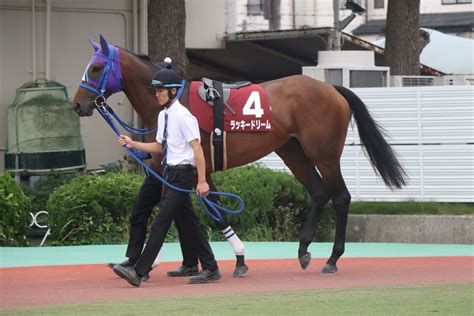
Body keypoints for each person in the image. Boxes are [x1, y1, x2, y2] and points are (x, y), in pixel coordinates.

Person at [113, 66, 221, 286]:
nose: (157, 94)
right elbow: (159, 146)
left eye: (161, 90)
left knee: (161, 222)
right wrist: (132, 143)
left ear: (173, 91)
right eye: (156, 90)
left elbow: (197, 149)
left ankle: (139, 271)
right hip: (170, 174)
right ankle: (211, 268)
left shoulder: (184, 116)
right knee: (190, 223)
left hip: (183, 175)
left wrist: (201, 181)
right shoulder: (163, 116)